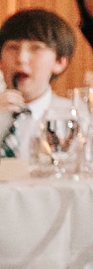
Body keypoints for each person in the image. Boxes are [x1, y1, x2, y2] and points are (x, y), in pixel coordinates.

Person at [0, 11, 79, 159]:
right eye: (13, 47)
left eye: (36, 48)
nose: (22, 59)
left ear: (59, 62)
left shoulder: (70, 115)